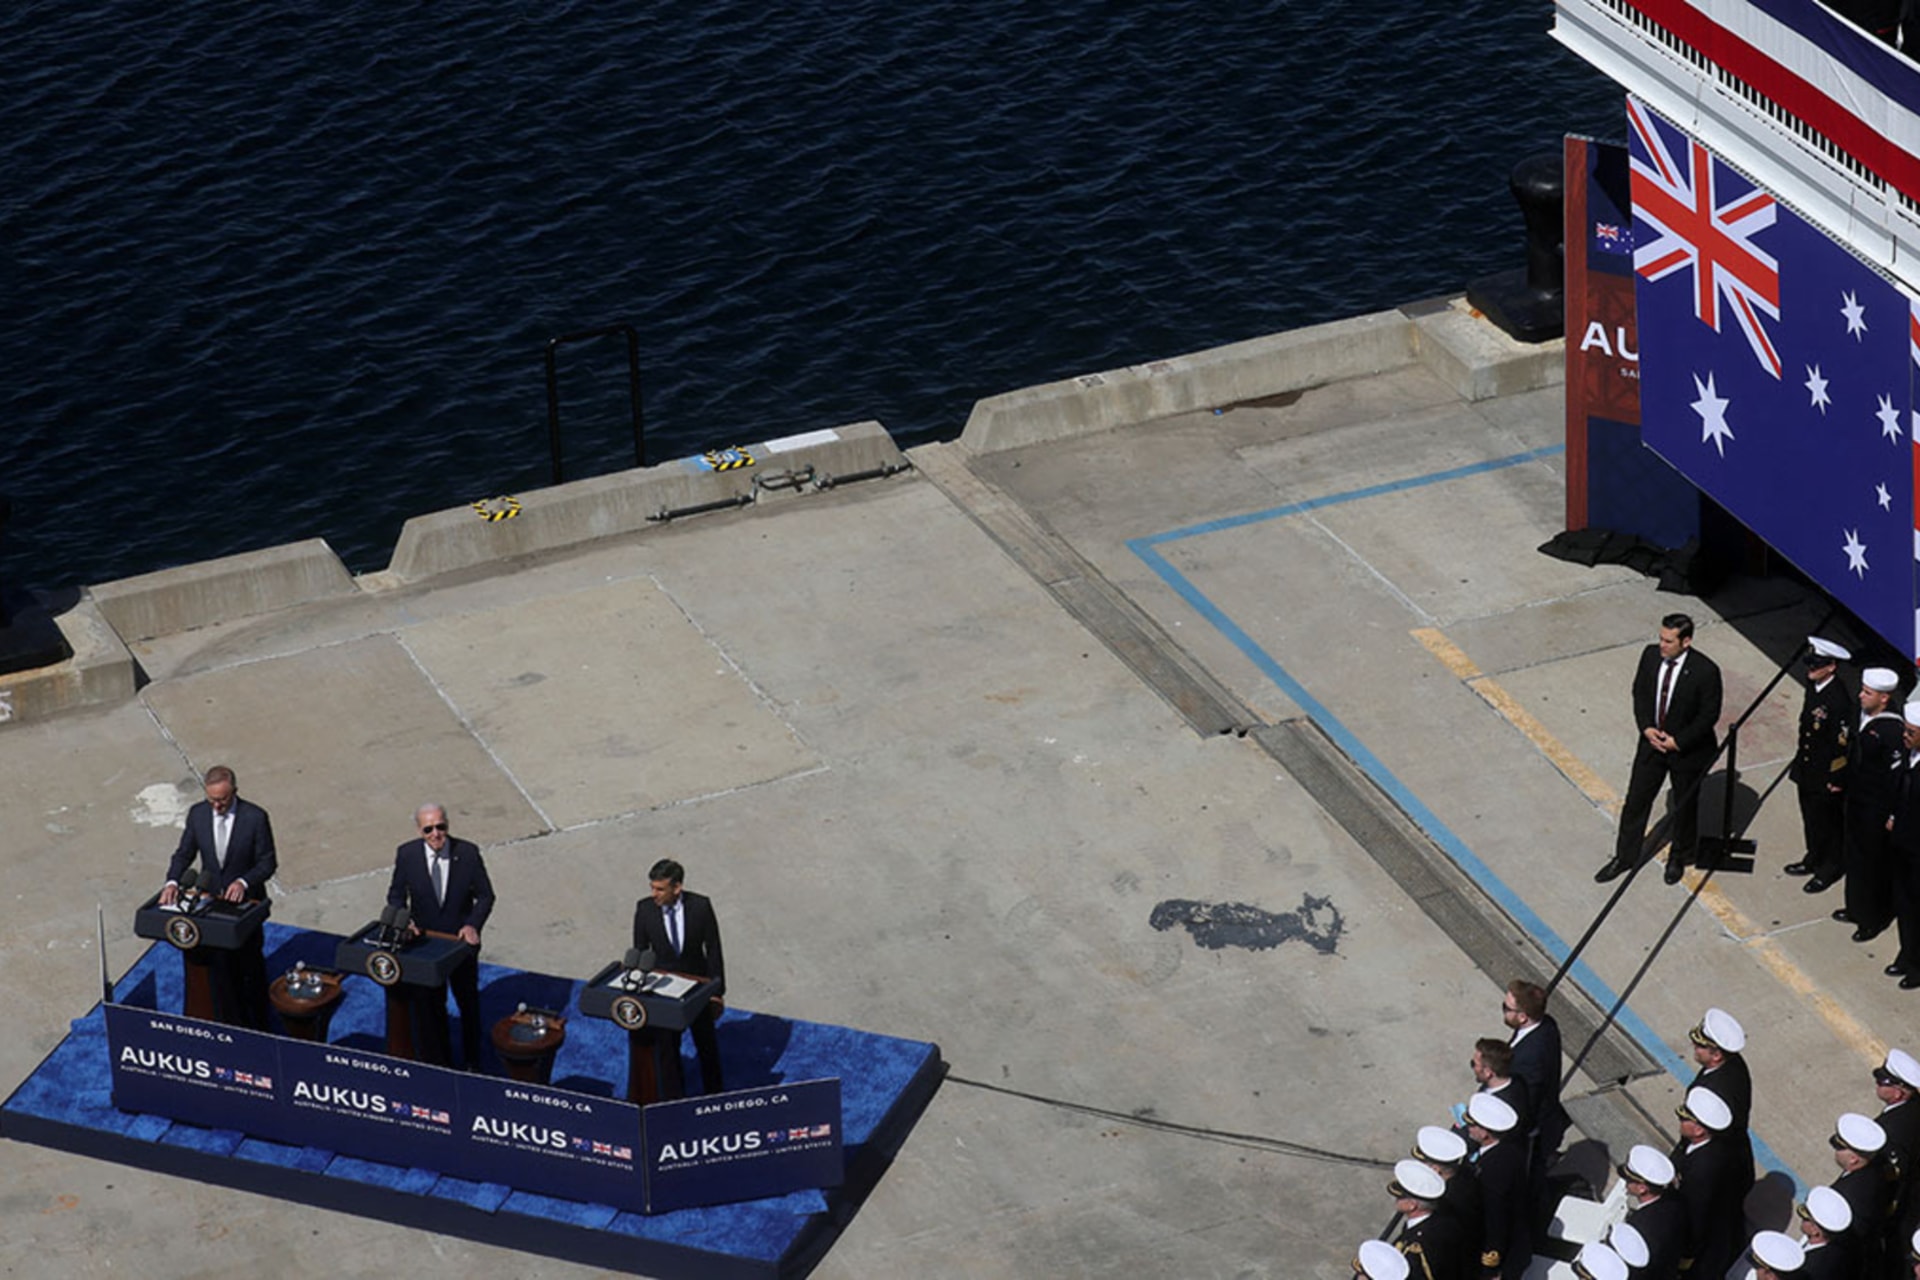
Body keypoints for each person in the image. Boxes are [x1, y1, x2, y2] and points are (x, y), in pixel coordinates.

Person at [1599, 613, 1723, 885]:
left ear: (1686, 641)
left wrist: (1678, 741)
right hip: (1652, 745)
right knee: (1636, 801)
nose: (1662, 645)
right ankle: (1625, 856)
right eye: (1661, 638)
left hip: (1685, 751)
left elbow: (1708, 715)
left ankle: (1679, 857)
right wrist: (1646, 727)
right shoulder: (1650, 657)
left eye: (1668, 641)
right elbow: (1640, 693)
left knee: (1684, 807)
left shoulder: (1705, 671)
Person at [159, 764, 276, 1029]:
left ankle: (258, 1025)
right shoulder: (198, 815)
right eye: (211, 799)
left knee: (250, 970)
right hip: (211, 908)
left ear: (234, 791)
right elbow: (184, 853)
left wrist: (244, 882)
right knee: (219, 971)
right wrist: (172, 881)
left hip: (246, 909)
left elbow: (268, 863)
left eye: (222, 800)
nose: (217, 806)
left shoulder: (255, 818)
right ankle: (225, 1024)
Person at [386, 803, 494, 1069]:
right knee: (430, 1009)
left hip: (460, 947)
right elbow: (396, 895)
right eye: (429, 829)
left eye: (441, 827)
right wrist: (405, 921)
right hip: (425, 946)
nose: (436, 834)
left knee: (468, 1005)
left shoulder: (467, 853)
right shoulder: (407, 855)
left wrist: (472, 925)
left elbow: (485, 895)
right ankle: (438, 1064)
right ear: (419, 830)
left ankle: (472, 1061)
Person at [632, 857, 726, 1095]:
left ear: (677, 887)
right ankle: (675, 1101)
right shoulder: (644, 910)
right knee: (667, 1052)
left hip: (698, 989)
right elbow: (641, 953)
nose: (654, 894)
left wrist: (717, 991)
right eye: (652, 888)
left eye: (660, 889)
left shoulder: (701, 906)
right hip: (664, 993)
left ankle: (715, 1097)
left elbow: (713, 949)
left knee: (707, 1049)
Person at [1838, 668, 1906, 942]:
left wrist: (1890, 812)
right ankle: (1855, 907)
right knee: (1854, 858)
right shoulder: (1863, 714)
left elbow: (1894, 778)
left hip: (1874, 809)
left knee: (1872, 864)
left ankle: (1872, 917)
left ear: (1884, 698)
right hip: (1856, 802)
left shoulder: (1891, 731)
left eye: (1868, 693)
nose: (1861, 696)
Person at [1785, 637, 1852, 893]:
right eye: (1810, 663)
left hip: (1826, 774)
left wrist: (1836, 779)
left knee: (1828, 824)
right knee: (1810, 818)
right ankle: (1813, 857)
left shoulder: (1839, 700)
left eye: (1817, 664)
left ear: (1832, 666)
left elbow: (1841, 744)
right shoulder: (1814, 687)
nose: (1810, 669)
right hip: (1807, 767)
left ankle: (1829, 867)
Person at [1501, 979, 1568, 1224]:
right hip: (1545, 1118)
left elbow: (1525, 1103)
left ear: (1523, 1017)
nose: (1504, 1011)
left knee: (1527, 1184)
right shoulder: (1546, 1025)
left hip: (1532, 1132)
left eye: (1507, 1008)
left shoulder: (1529, 1058)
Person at [1669, 1087, 1746, 1280]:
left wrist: (1685, 1257)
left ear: (1699, 1129)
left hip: (1707, 1245)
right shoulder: (1706, 1145)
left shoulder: (1702, 1170)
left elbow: (1696, 1216)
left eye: (1685, 1119)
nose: (1680, 1120)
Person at [1463, 1093, 1528, 1279]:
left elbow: (1495, 1218)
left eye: (1472, 1124)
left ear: (1485, 1133)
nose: (1469, 1127)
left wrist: (1490, 1263)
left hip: (1500, 1247)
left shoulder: (1493, 1172)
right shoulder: (1509, 1149)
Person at [1687, 1007, 1753, 1186]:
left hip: (1718, 1172)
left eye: (1700, 1046)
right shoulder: (1735, 1064)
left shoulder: (1711, 1090)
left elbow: (1699, 1133)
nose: (1695, 1047)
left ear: (1716, 1055)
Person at [1390, 1158, 1472, 1280]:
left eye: (1400, 1197)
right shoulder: (1442, 1221)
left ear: (1412, 1205)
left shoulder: (1420, 1243)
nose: (1396, 1200)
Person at [1885, 704, 1920, 985]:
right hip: (1904, 843)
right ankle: (1907, 953)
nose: (1904, 736)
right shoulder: (1911, 755)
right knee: (1905, 903)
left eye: (1910, 732)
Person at [1830, 1112, 1893, 1264]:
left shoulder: (1847, 1194)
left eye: (1839, 1146)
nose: (1835, 1149)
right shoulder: (1875, 1170)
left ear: (1853, 1159)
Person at [1469, 1038, 1530, 1135]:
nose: (1473, 1068)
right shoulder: (1517, 1081)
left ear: (1488, 1072)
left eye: (1474, 1064)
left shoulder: (1497, 1108)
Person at [1795, 1184, 1856, 1279]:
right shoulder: (1831, 1249)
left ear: (1815, 1230)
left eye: (1806, 1219)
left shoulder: (1809, 1268)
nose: (1802, 1219)